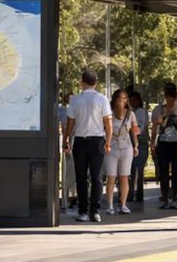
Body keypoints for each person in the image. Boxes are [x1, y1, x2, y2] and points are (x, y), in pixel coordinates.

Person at [63, 69, 112, 223]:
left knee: (81, 177)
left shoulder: (75, 100)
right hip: (97, 141)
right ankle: (95, 211)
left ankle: (83, 210)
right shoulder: (102, 99)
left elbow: (70, 123)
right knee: (97, 177)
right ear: (96, 83)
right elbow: (108, 122)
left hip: (80, 141)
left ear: (81, 82)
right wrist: (108, 142)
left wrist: (66, 141)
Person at [104, 88, 139, 215]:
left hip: (126, 147)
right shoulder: (109, 114)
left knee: (124, 177)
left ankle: (123, 204)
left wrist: (136, 145)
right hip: (112, 147)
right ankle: (110, 205)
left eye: (124, 99)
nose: (122, 101)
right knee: (111, 177)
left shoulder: (131, 114)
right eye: (119, 99)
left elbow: (134, 131)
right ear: (115, 100)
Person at [151, 83, 177, 209]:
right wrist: (152, 144)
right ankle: (165, 198)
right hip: (164, 143)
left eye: (171, 95)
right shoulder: (159, 109)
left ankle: (175, 196)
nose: (169, 99)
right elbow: (156, 127)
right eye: (167, 95)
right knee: (163, 172)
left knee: (176, 171)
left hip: (176, 143)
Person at [128, 91, 149, 203]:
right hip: (137, 141)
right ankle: (134, 193)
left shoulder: (140, 111)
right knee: (135, 169)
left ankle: (135, 193)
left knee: (136, 169)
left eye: (134, 100)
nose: (132, 102)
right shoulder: (134, 112)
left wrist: (131, 130)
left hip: (140, 142)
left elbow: (140, 128)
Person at [58, 91, 77, 211]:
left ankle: (73, 195)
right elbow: (65, 128)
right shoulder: (64, 112)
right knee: (69, 172)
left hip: (76, 141)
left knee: (74, 172)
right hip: (71, 142)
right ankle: (68, 197)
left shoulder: (74, 111)